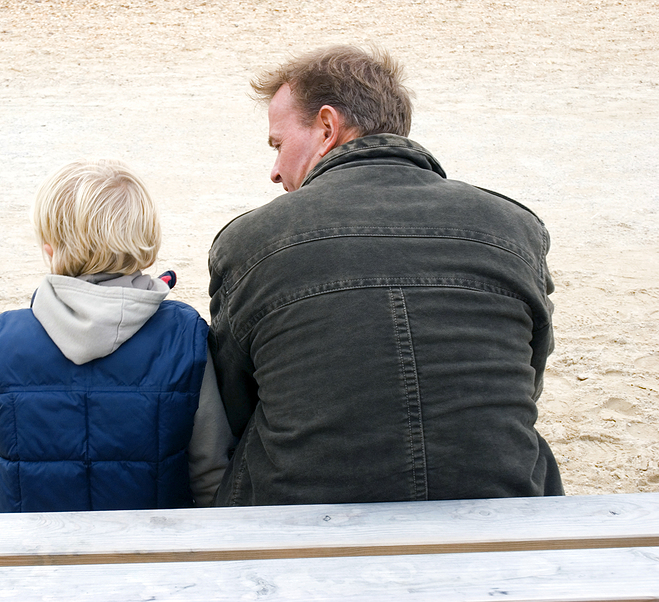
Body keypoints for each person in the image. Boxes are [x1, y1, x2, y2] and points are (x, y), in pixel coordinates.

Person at [208, 45, 563, 506]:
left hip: (304, 516)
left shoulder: (250, 241)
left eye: (278, 145)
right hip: (500, 501)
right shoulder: (515, 227)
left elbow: (235, 404)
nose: (275, 171)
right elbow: (527, 377)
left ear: (327, 128)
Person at [0, 159, 233, 513]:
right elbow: (210, 470)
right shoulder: (184, 336)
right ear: (145, 241)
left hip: (35, 561)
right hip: (156, 558)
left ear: (50, 247)